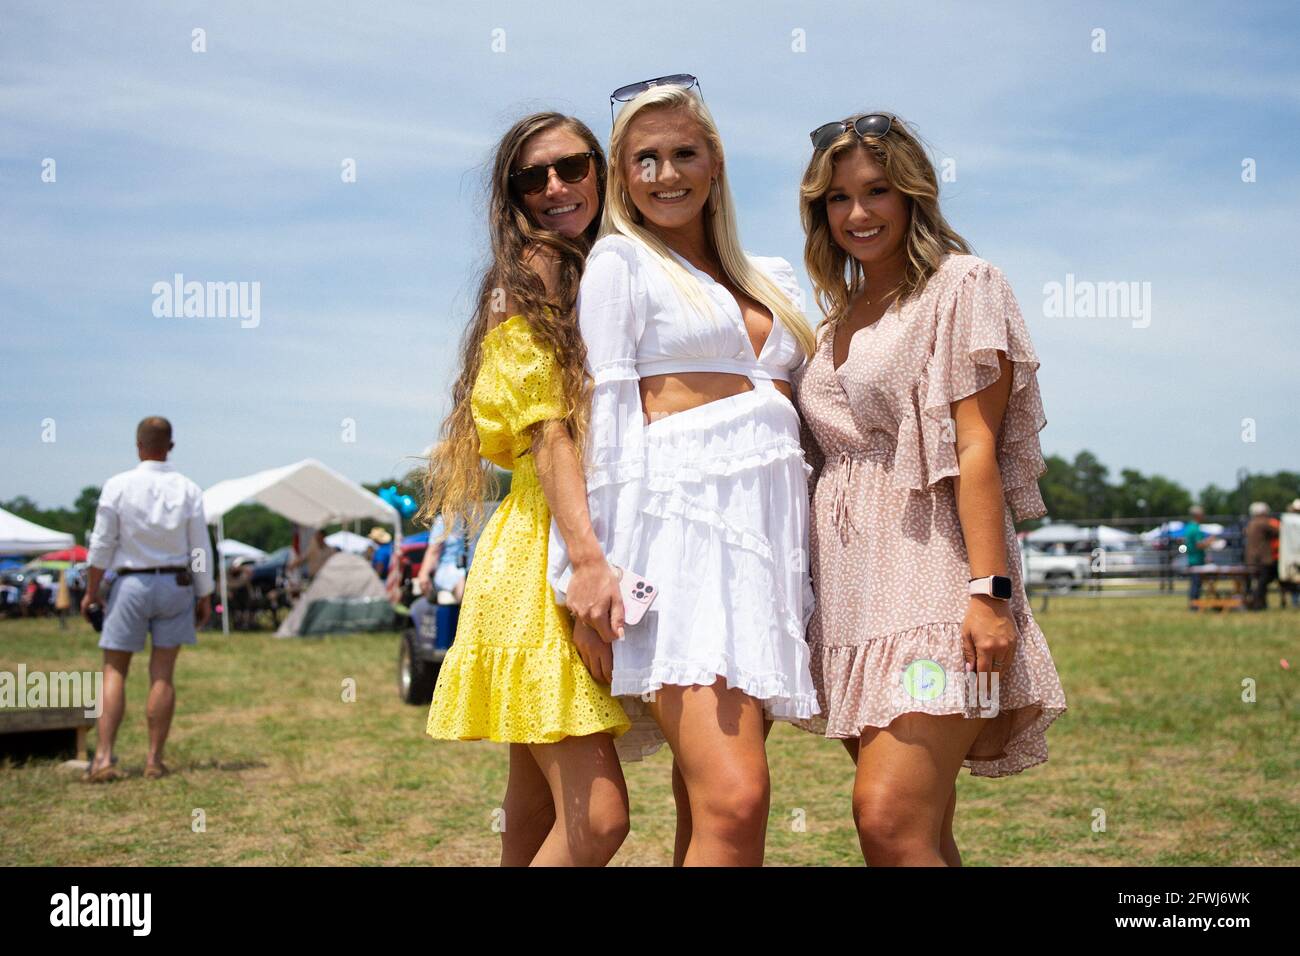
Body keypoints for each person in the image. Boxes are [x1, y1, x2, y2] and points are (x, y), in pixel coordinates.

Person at [546, 78, 820, 866]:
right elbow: (606, 419)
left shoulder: (771, 275)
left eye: (685, 153)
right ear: (623, 175)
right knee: (738, 800)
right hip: (677, 543)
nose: (668, 175)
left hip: (766, 552)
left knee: (707, 805)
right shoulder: (621, 262)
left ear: (717, 161)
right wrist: (590, 569)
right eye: (646, 159)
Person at [791, 111, 1067, 865]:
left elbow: (976, 446)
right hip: (852, 597)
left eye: (876, 191)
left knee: (886, 820)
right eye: (837, 200)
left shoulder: (963, 285)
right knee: (920, 831)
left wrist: (990, 591)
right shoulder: (836, 318)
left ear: (914, 192)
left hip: (934, 586)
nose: (857, 214)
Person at [422, 112, 634, 866]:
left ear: (600, 170)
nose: (554, 187)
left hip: (533, 543)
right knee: (600, 820)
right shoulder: (539, 269)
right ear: (510, 195)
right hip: (549, 550)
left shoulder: (599, 266)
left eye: (571, 167)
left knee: (531, 812)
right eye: (531, 177)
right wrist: (585, 561)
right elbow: (547, 433)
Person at [81, 416, 214, 782]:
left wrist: (92, 591)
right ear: (170, 445)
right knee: (163, 673)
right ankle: (154, 759)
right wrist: (205, 593)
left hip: (131, 583)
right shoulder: (188, 489)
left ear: (138, 445)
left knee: (114, 670)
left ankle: (104, 758)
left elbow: (102, 543)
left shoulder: (118, 486)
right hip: (176, 584)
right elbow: (200, 548)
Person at [1244, 501, 1278, 611]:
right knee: (1262, 582)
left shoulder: (1251, 523)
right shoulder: (1263, 522)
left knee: (1257, 582)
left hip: (1251, 559)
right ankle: (1257, 604)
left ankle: (1259, 603)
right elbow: (1278, 531)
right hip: (1263, 558)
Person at [1183, 504, 1215, 609]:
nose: (1203, 515)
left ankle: (1193, 605)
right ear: (1197, 515)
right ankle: (1194, 606)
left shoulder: (1189, 528)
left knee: (1194, 584)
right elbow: (1199, 545)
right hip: (1197, 560)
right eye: (1202, 513)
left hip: (1191, 559)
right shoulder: (1196, 529)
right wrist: (1209, 541)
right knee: (1196, 585)